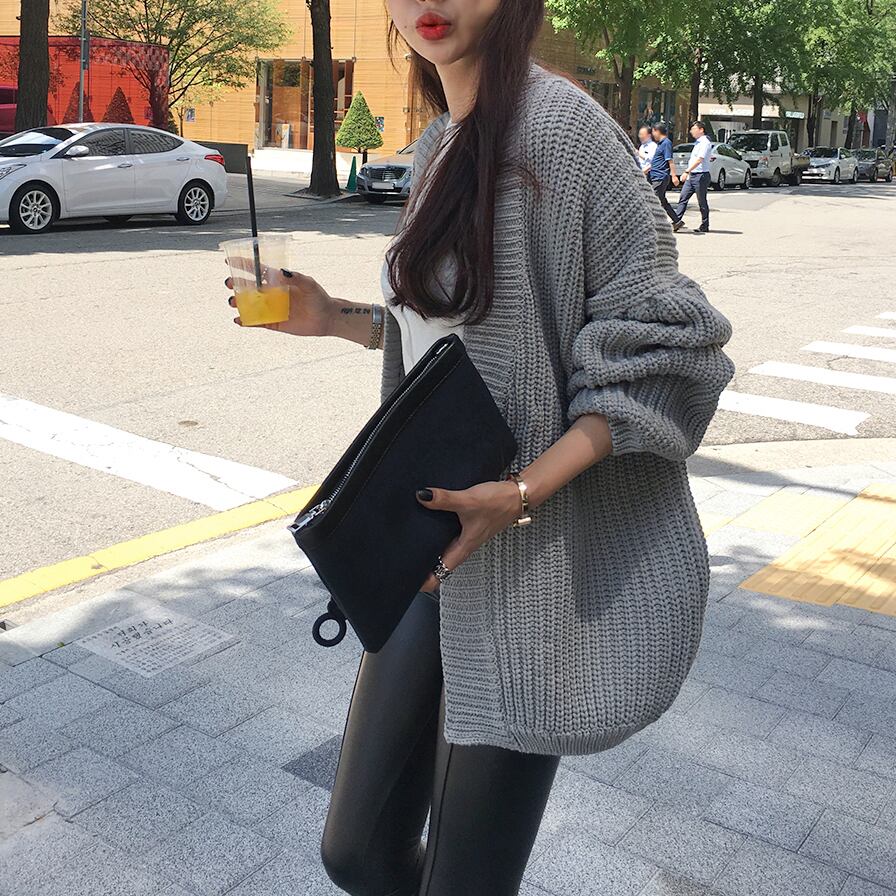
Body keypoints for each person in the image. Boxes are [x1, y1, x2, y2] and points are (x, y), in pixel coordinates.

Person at [226, 2, 735, 893]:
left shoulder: (564, 131)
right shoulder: (436, 148)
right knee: (356, 852)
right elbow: (454, 338)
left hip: (530, 572)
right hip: (431, 557)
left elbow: (667, 347)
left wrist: (522, 493)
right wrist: (333, 315)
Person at [675, 120, 713, 232]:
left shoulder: (705, 143)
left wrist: (686, 171)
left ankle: (705, 225)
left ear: (701, 130)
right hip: (692, 175)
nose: (691, 131)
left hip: (701, 175)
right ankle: (676, 222)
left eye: (693, 129)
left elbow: (699, 159)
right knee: (683, 198)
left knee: (701, 201)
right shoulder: (697, 143)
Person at [649, 122, 682, 230]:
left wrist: (674, 176)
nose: (653, 134)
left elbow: (670, 161)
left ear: (657, 131)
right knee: (662, 201)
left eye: (653, 132)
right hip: (656, 176)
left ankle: (654, 224)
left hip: (660, 176)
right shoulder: (661, 144)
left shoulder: (666, 143)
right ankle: (677, 221)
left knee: (652, 200)